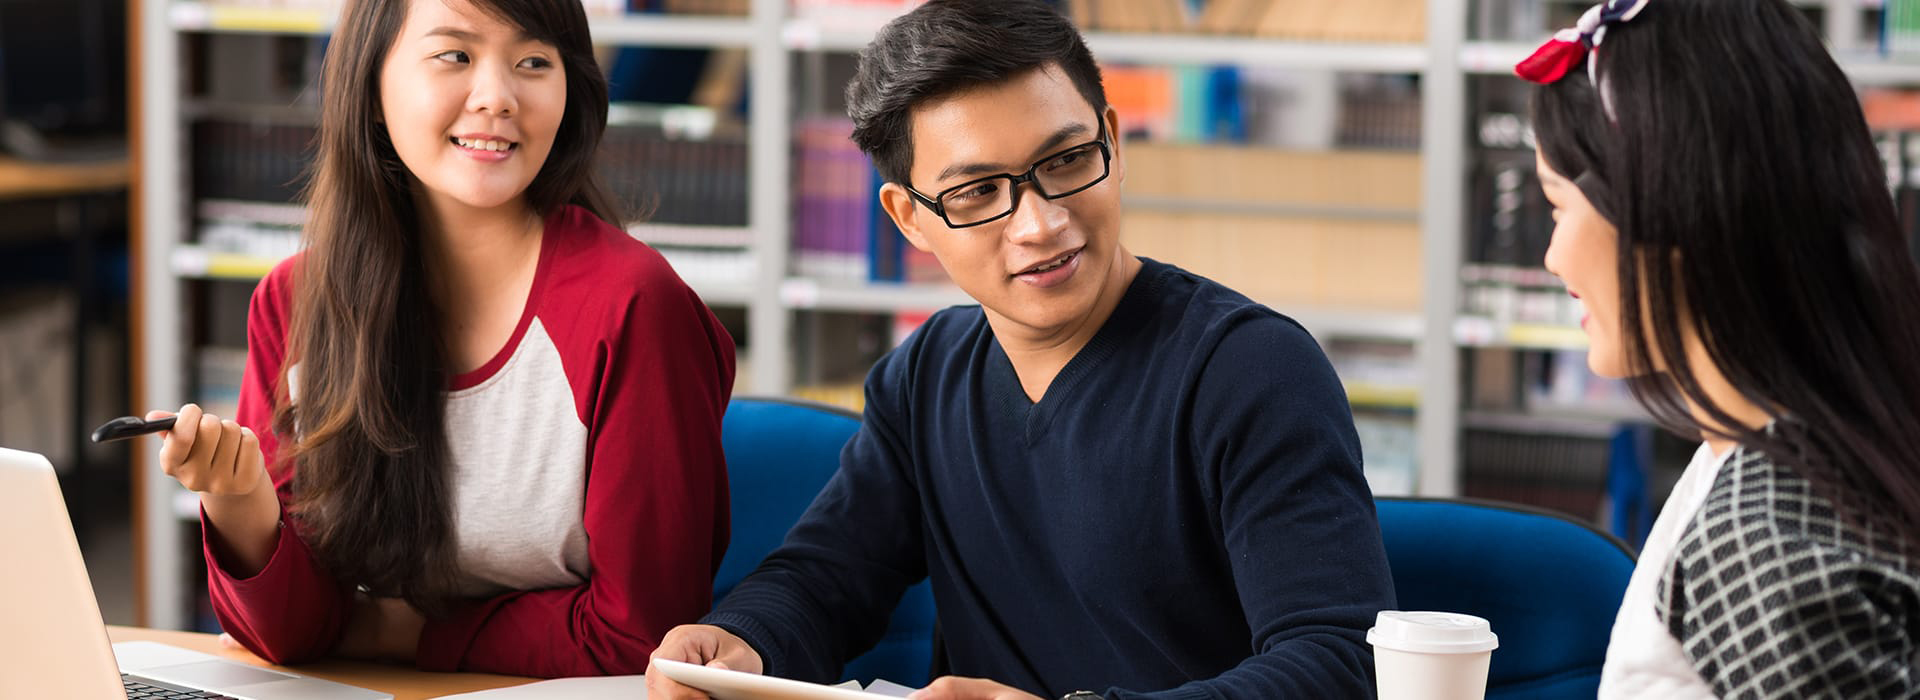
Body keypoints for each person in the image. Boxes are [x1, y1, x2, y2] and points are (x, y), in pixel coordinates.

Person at [646, 2, 1396, 699]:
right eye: (976, 193)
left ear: (1112, 137)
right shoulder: (925, 374)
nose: (1040, 223)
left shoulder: (1251, 370)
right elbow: (826, 578)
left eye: (1067, 161)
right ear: (908, 217)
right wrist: (742, 638)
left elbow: (1338, 660)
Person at [143, 0, 735, 677]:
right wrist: (237, 495)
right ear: (370, 88)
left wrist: (404, 634)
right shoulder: (295, 303)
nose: (497, 97)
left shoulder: (633, 307)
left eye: (534, 62)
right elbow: (293, 634)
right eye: (455, 55)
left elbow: (642, 637)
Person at [1520, 0, 1920, 696]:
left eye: (1558, 208)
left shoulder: (1761, 543)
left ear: (1665, 210)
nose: (1552, 256)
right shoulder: (1806, 451)